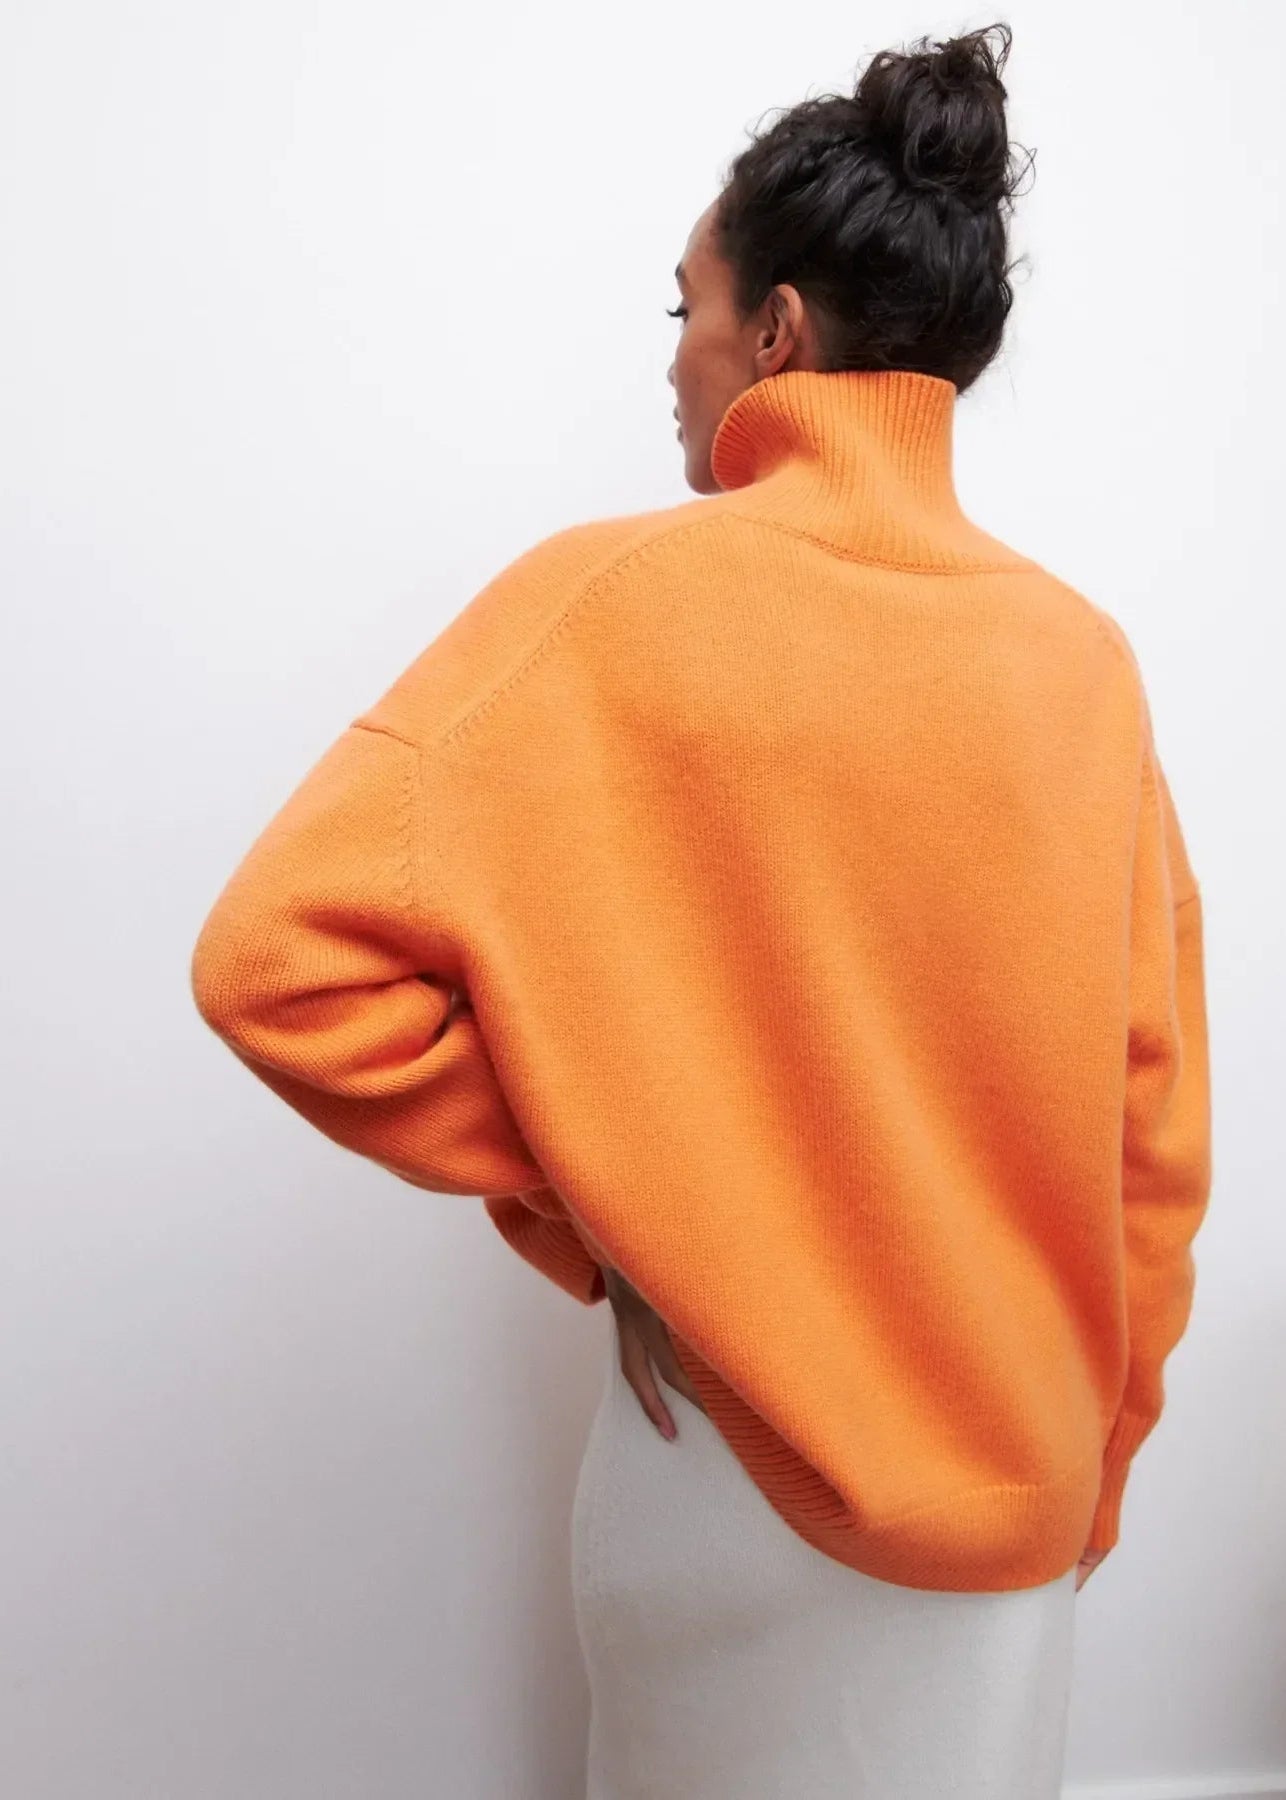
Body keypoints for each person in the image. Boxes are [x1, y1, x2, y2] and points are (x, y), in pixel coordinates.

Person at [190, 20, 1212, 1798]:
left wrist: (616, 1204)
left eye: (686, 309)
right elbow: (1153, 1131)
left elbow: (277, 967)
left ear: (777, 335)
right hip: (1016, 1509)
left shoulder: (607, 601)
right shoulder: (1079, 662)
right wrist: (1092, 1473)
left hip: (730, 1486)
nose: (672, 358)